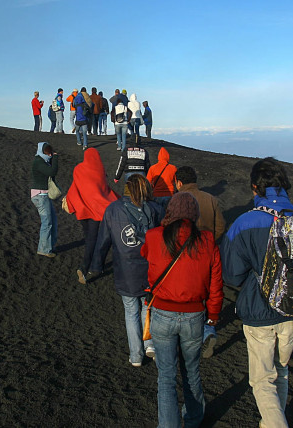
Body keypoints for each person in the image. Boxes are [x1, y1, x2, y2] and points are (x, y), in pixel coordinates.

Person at [220, 157, 293, 428]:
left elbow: (231, 274)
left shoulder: (245, 223)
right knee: (281, 371)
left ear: (255, 187)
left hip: (261, 311)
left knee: (261, 380)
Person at [141, 192, 224, 428]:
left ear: (170, 211)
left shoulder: (154, 236)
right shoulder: (207, 241)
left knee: (166, 376)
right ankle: (194, 419)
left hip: (162, 314)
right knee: (191, 372)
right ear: (194, 214)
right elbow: (216, 283)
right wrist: (214, 315)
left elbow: (144, 254)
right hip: (194, 316)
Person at [90, 175, 165, 366]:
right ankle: (150, 344)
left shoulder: (113, 210)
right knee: (147, 308)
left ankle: (136, 356)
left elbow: (103, 240)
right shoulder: (156, 209)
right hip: (150, 269)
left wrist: (97, 265)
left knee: (131, 311)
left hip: (125, 269)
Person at [174, 166, 226, 358]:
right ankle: (208, 331)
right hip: (208, 253)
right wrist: (210, 243)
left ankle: (186, 337)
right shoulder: (211, 199)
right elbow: (220, 226)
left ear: (179, 183)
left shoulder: (177, 200)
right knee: (209, 292)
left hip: (183, 254)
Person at [63, 148, 120, 284]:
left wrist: (72, 201)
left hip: (82, 209)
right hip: (95, 211)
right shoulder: (100, 170)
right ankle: (84, 267)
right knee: (92, 240)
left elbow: (75, 186)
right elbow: (104, 190)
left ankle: (93, 266)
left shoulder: (78, 169)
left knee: (89, 237)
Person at [30, 142, 59, 257]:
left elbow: (50, 173)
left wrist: (52, 159)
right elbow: (52, 172)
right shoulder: (38, 162)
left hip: (43, 195)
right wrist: (55, 159)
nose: (50, 155)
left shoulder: (42, 161)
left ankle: (49, 247)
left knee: (52, 221)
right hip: (40, 196)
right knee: (47, 223)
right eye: (49, 153)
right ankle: (44, 249)